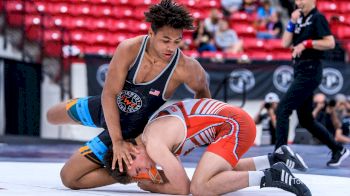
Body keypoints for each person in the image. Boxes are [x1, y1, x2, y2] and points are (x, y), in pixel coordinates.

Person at [46, 0, 211, 189]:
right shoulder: (129, 49)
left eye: (177, 41)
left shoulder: (185, 67)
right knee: (51, 116)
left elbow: (203, 91)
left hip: (130, 131)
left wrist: (193, 132)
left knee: (69, 178)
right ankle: (130, 160)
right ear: (151, 33)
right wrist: (116, 142)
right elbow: (109, 95)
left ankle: (140, 175)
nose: (171, 48)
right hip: (104, 108)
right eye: (165, 40)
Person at [104, 98, 311, 195]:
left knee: (200, 187)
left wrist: (150, 186)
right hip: (231, 122)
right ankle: (275, 159)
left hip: (234, 125)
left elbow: (183, 188)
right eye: (140, 174)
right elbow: (177, 177)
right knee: (213, 174)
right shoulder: (152, 135)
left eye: (138, 169)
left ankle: (271, 175)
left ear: (133, 150)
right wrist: (152, 180)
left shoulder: (154, 144)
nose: (145, 172)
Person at [277, 0, 349, 167]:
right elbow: (284, 43)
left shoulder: (318, 18)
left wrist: (306, 43)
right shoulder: (299, 18)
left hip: (311, 70)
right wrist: (291, 22)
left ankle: (279, 156)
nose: (298, 2)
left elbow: (330, 42)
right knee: (306, 119)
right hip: (299, 70)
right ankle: (338, 149)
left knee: (283, 109)